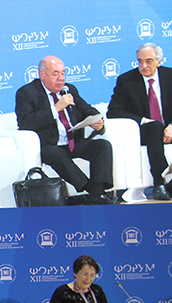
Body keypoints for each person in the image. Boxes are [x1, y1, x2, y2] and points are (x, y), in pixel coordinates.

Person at [15, 55, 114, 204]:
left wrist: (97, 120)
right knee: (55, 153)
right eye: (55, 73)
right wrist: (56, 108)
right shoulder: (27, 93)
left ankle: (97, 194)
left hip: (73, 142)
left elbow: (86, 109)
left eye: (63, 73)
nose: (61, 78)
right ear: (42, 75)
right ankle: (93, 192)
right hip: (49, 146)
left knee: (102, 146)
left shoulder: (69, 89)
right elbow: (25, 122)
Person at [108, 43, 172, 201]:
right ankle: (159, 183)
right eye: (140, 61)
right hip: (144, 131)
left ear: (159, 61)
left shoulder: (170, 76)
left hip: (169, 128)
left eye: (149, 61)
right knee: (154, 127)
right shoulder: (126, 81)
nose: (143, 66)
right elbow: (113, 111)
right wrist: (143, 121)